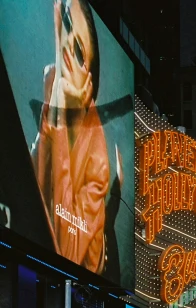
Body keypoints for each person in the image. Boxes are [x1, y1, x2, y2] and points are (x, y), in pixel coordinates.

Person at [31, 0, 110, 274]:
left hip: (87, 289)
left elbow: (66, 253)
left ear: (89, 90)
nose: (66, 49)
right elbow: (34, 187)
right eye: (65, 22)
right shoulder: (55, 80)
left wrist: (61, 119)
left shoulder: (99, 161)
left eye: (79, 52)